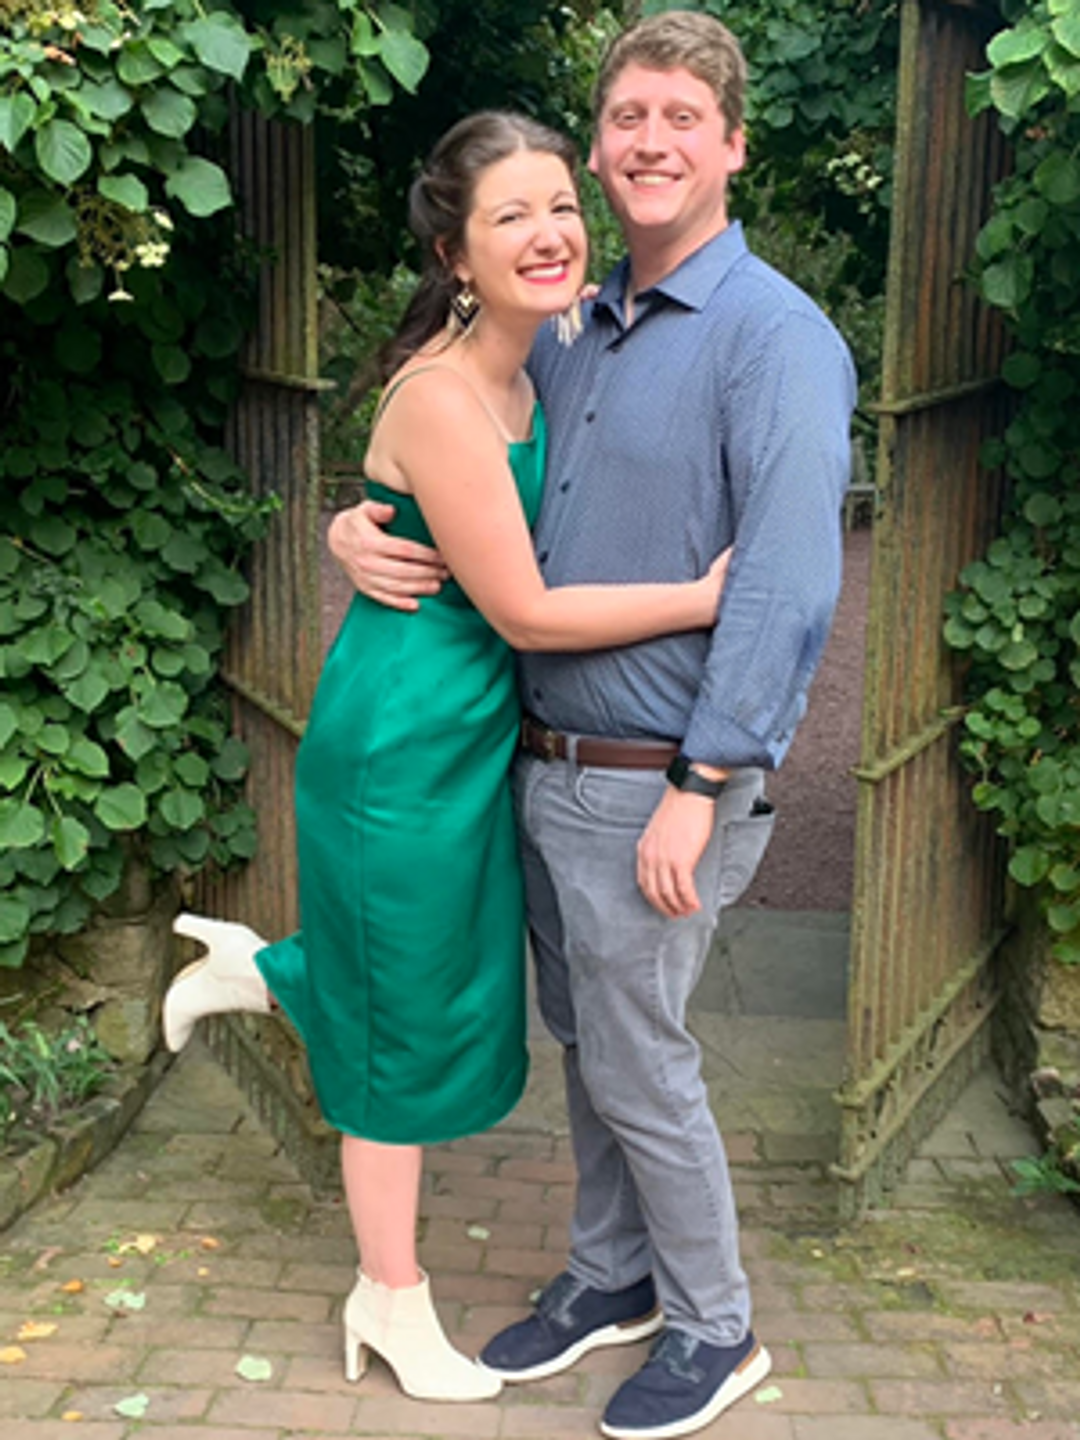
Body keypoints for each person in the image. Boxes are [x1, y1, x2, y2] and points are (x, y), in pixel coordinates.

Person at [328, 12, 858, 1440]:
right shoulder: (577, 328)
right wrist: (356, 524)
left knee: (640, 1058)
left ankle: (713, 1324)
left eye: (683, 116)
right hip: (545, 766)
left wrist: (709, 774)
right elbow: (455, 456)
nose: (649, 143)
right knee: (595, 1045)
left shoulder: (776, 341)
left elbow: (793, 584)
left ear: (734, 144)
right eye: (627, 117)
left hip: (654, 783)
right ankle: (612, 1278)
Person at [161, 110, 729, 1409]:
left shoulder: (572, 349)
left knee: (440, 985)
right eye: (509, 216)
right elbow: (525, 608)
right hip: (402, 747)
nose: (548, 233)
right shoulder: (444, 391)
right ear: (452, 251)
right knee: (408, 1036)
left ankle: (275, 973)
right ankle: (391, 1299)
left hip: (475, 733)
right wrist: (704, 599)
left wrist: (347, 526)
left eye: (561, 206)